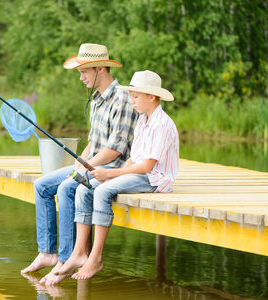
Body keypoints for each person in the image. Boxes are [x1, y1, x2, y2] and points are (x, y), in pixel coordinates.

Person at [21, 43, 139, 285]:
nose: (81, 77)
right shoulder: (96, 99)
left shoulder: (122, 100)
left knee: (66, 188)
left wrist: (84, 169)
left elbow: (115, 148)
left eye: (84, 71)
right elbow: (93, 143)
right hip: (92, 163)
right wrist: (79, 162)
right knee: (42, 185)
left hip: (112, 169)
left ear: (99, 69)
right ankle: (48, 253)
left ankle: (67, 258)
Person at [55, 70, 179, 281]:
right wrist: (110, 175)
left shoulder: (162, 124)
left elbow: (147, 166)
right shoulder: (142, 120)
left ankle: (95, 258)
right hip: (139, 172)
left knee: (102, 191)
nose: (132, 101)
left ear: (152, 96)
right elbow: (133, 159)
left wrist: (110, 174)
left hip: (155, 179)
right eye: (130, 96)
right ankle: (78, 253)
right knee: (85, 188)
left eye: (136, 96)